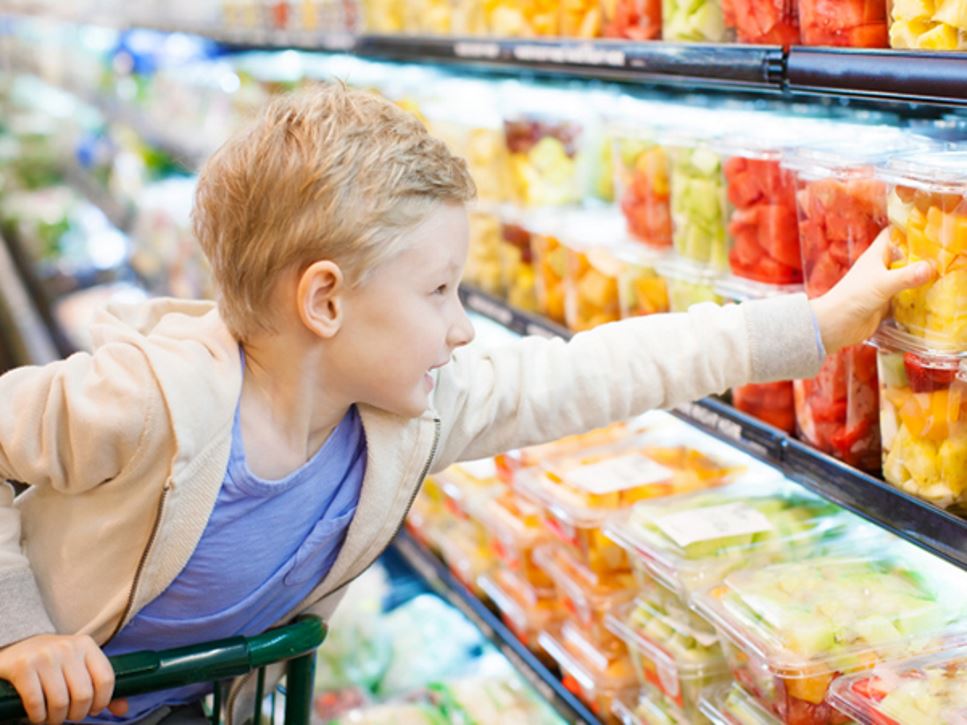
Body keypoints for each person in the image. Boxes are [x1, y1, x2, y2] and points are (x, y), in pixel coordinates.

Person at [0, 84, 934, 725]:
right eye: (440, 291)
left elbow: (595, 370)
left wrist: (814, 323)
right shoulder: (145, 401)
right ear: (323, 301)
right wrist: (22, 629)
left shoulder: (412, 414)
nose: (463, 329)